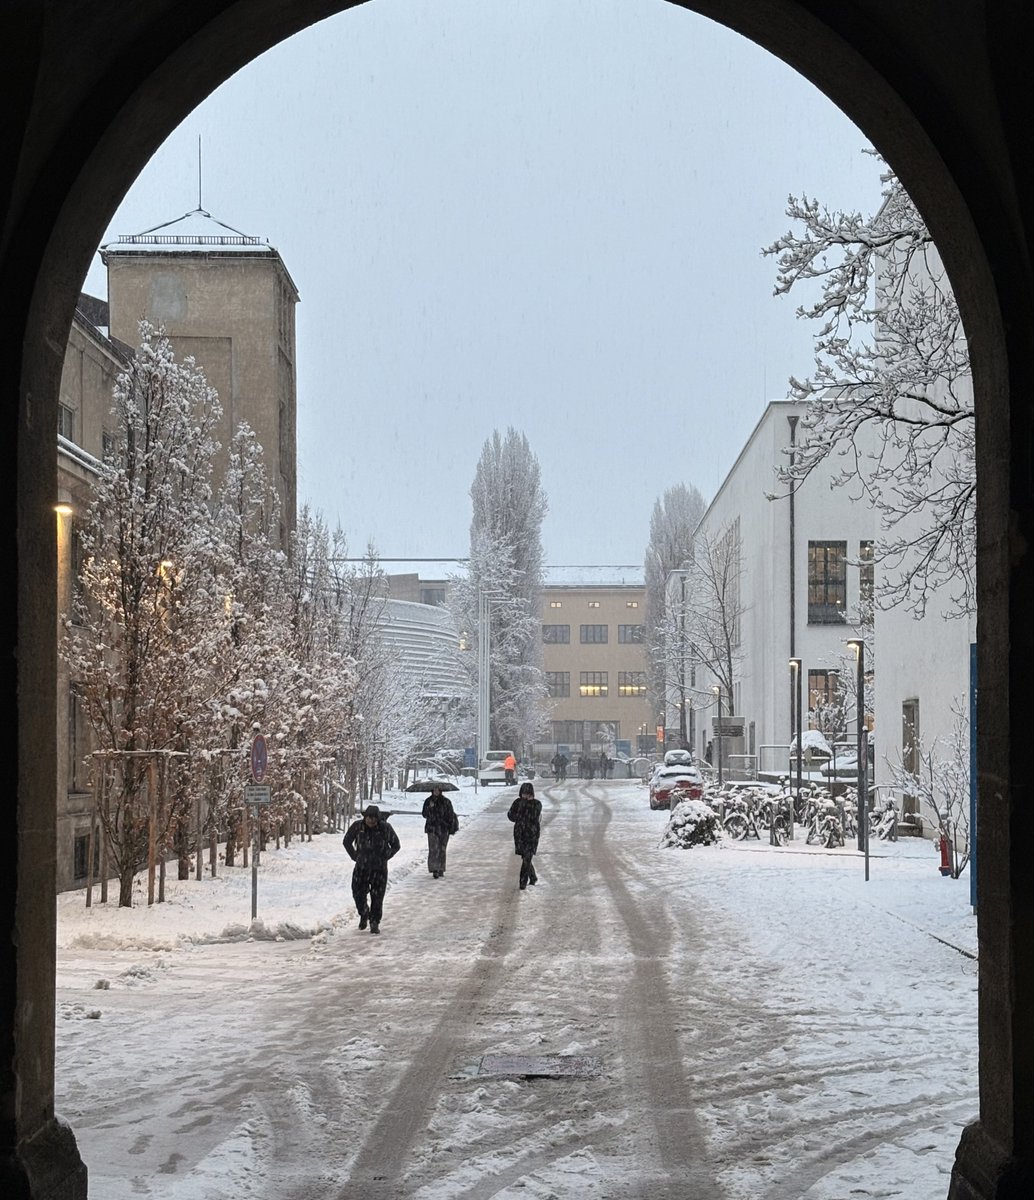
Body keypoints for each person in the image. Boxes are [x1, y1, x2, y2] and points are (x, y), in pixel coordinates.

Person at [342, 804, 400, 934]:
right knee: (358, 893)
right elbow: (346, 841)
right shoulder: (358, 826)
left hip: (379, 869)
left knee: (377, 897)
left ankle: (374, 922)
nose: (371, 821)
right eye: (369, 818)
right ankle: (364, 913)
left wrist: (386, 856)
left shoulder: (385, 828)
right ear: (365, 817)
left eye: (374, 818)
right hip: (361, 868)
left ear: (378, 818)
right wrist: (354, 856)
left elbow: (396, 845)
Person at [507, 781, 542, 890]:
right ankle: (533, 876)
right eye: (523, 793)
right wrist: (521, 806)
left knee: (527, 857)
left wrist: (526, 804)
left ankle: (523, 882)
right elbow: (511, 816)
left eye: (527, 793)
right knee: (525, 857)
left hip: (532, 834)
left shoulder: (536, 804)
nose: (525, 796)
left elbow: (533, 816)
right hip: (519, 834)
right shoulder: (517, 802)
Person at [421, 783, 459, 878]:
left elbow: (450, 814)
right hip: (432, 828)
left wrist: (447, 824)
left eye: (438, 790)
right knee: (433, 849)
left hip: (443, 828)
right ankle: (434, 869)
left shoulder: (446, 801)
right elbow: (424, 814)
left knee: (442, 849)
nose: (436, 792)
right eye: (434, 790)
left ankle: (441, 868)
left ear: (440, 791)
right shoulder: (428, 801)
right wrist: (430, 807)